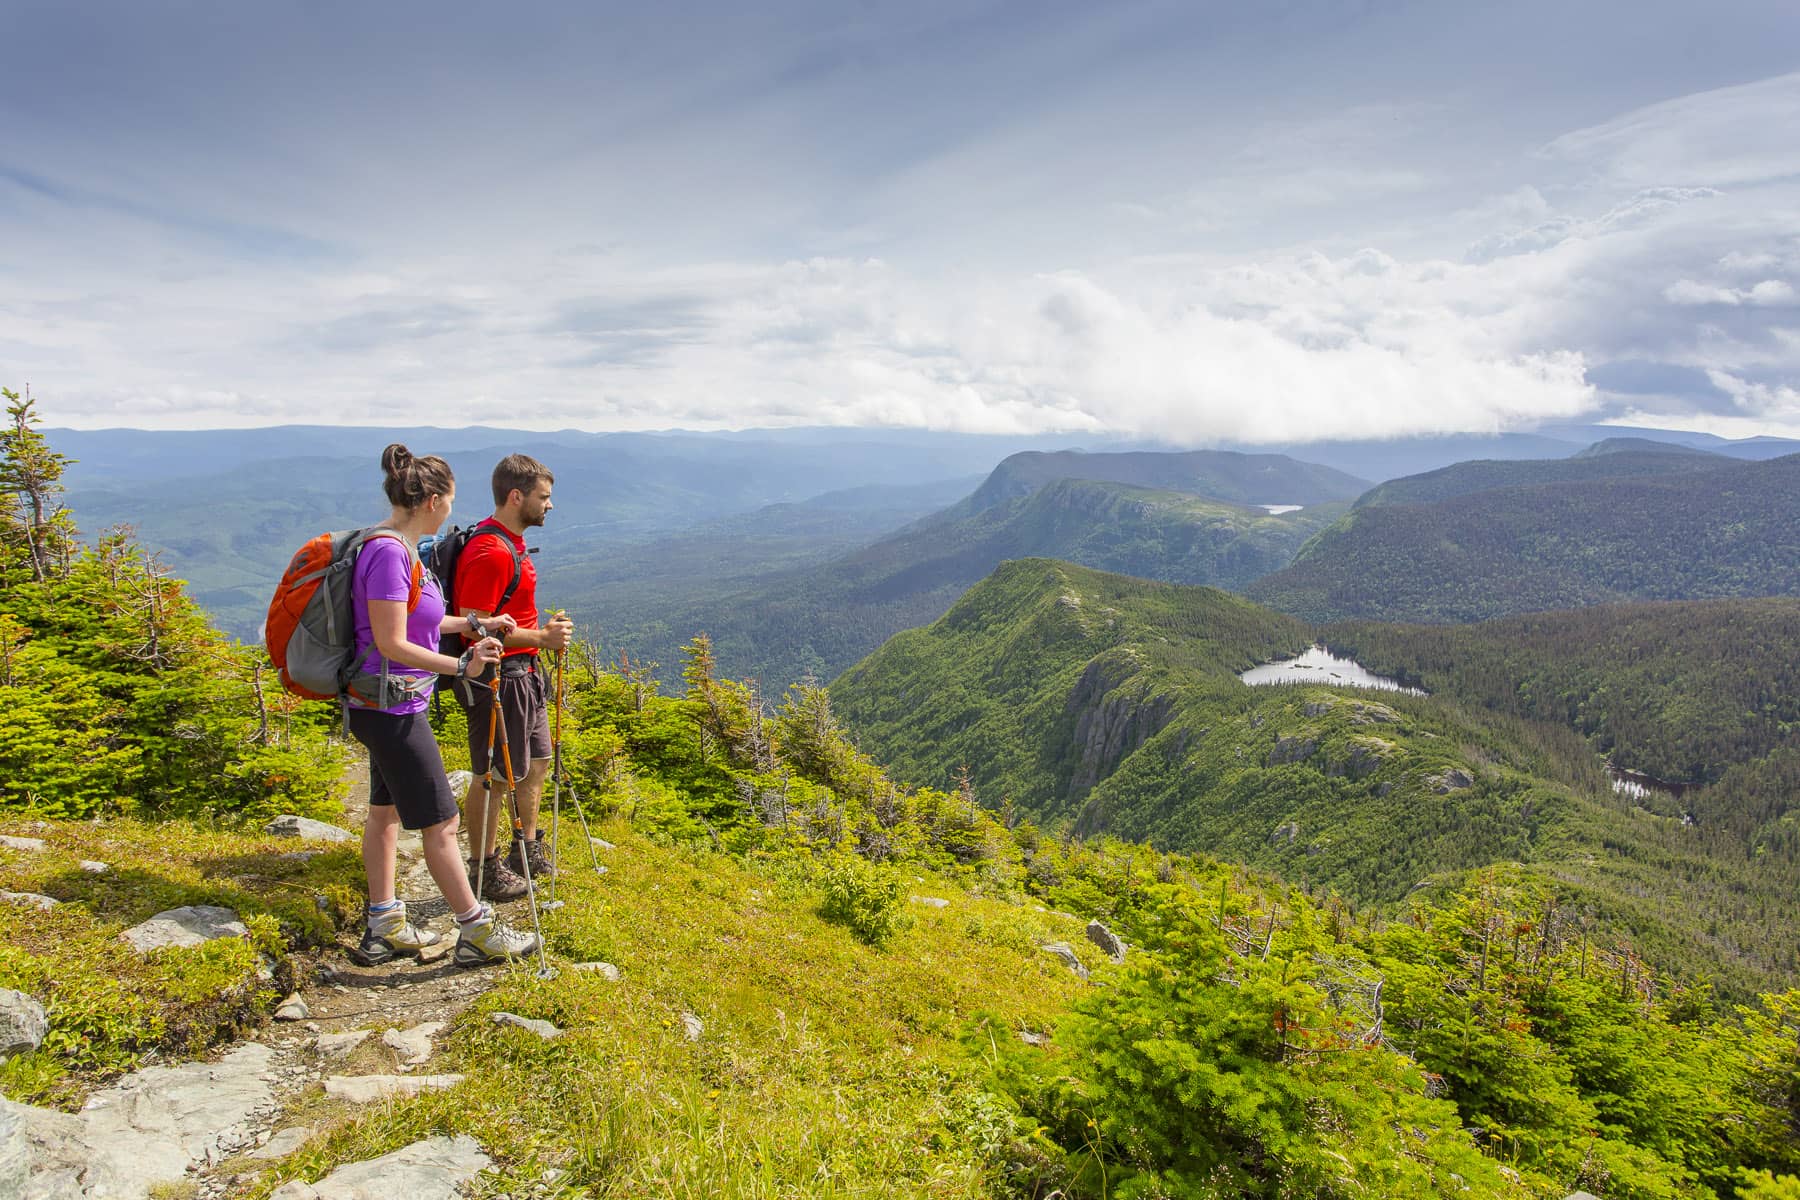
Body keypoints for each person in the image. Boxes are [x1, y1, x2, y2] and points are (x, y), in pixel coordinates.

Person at [346, 444, 542, 967]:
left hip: (384, 702)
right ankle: (476, 931)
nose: (453, 508)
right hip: (392, 709)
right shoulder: (389, 552)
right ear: (433, 500)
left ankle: (383, 921)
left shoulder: (401, 548)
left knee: (385, 812)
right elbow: (391, 641)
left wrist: (477, 625)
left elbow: (419, 620)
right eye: (451, 499)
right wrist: (462, 666)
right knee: (442, 823)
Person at [452, 453, 575, 899]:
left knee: (536, 762)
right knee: (494, 775)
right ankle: (483, 867)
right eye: (544, 497)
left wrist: (539, 640)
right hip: (499, 676)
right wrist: (541, 636)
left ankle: (524, 847)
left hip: (525, 672)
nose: (549, 506)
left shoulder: (511, 542)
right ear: (516, 496)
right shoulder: (489, 550)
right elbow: (475, 623)